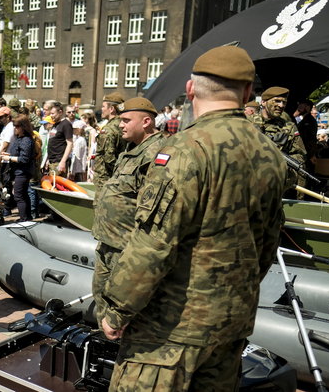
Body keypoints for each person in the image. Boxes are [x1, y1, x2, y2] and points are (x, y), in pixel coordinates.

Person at [100, 46, 286, 390]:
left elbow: (153, 244)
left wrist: (117, 308)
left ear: (190, 89)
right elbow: (267, 242)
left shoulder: (185, 150)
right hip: (230, 325)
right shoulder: (270, 154)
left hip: (170, 334)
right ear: (247, 93)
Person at [90, 97, 165, 321]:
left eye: (126, 120)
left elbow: (155, 210)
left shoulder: (157, 154)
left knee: (122, 309)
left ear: (146, 122)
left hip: (126, 249)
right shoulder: (132, 149)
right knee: (102, 299)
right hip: (108, 242)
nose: (120, 125)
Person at [253, 86, 307, 194]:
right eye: (277, 101)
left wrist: (284, 168)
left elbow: (299, 154)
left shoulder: (288, 127)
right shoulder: (247, 124)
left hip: (277, 186)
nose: (281, 105)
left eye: (284, 102)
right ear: (263, 102)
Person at [0, 116, 34, 222]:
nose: (15, 128)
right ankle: (27, 217)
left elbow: (24, 159)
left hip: (23, 172)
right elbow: (18, 154)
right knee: (22, 194)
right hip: (18, 171)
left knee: (19, 196)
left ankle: (24, 218)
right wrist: (9, 155)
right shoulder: (19, 138)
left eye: (17, 126)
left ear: (23, 127)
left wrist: (9, 158)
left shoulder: (26, 140)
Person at [93, 93, 127, 189]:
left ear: (111, 109)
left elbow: (109, 158)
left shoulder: (109, 129)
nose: (101, 109)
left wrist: (116, 174)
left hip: (105, 177)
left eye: (103, 106)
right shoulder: (122, 124)